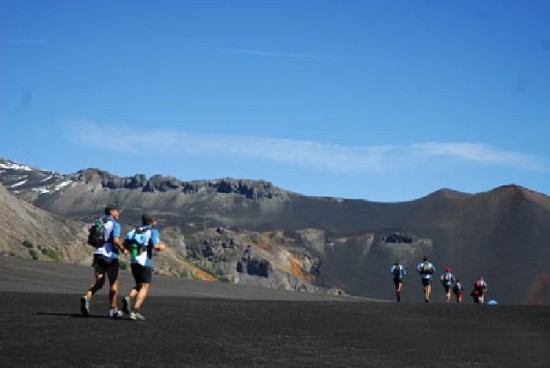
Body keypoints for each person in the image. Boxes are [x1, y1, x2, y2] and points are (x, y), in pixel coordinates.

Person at [80, 204, 128, 318]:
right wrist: (123, 249)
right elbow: (115, 240)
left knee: (99, 282)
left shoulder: (99, 221)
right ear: (112, 212)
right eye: (117, 211)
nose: (119, 213)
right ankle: (112, 309)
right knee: (113, 282)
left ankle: (87, 297)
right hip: (110, 256)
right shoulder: (115, 224)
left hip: (98, 255)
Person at [122, 213, 166, 321]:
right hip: (145, 262)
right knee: (144, 287)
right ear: (151, 221)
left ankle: (129, 297)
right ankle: (135, 311)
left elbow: (125, 245)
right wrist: (162, 247)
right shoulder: (152, 231)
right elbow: (156, 246)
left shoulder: (134, 231)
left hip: (134, 261)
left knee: (138, 284)